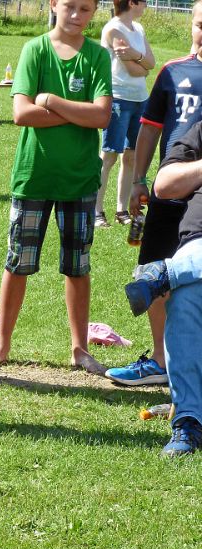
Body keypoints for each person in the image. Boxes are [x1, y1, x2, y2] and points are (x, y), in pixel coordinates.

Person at [0, 0, 112, 375]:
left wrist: (50, 101)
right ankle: (1, 344)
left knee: (77, 267)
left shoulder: (98, 56)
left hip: (80, 178)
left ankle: (80, 348)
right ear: (54, 4)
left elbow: (101, 116)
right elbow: (21, 113)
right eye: (69, 6)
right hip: (33, 176)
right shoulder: (34, 49)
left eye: (85, 9)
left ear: (94, 11)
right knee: (18, 262)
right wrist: (76, 112)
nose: (76, 15)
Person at [105, 1, 202, 386]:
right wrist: (138, 180)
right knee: (155, 272)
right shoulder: (173, 72)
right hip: (170, 191)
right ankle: (161, 360)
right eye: (200, 24)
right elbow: (149, 128)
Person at [121, 119, 202, 455]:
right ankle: (189, 421)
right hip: (198, 241)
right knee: (184, 301)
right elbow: (165, 185)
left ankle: (166, 273)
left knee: (179, 284)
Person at [94, 0, 154, 228]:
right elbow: (135, 69)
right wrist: (144, 63)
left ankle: (121, 210)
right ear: (132, 3)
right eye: (144, 2)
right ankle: (97, 210)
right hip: (118, 100)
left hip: (140, 100)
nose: (146, 6)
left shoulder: (138, 29)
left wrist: (138, 57)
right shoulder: (113, 29)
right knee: (108, 157)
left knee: (130, 158)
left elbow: (151, 63)